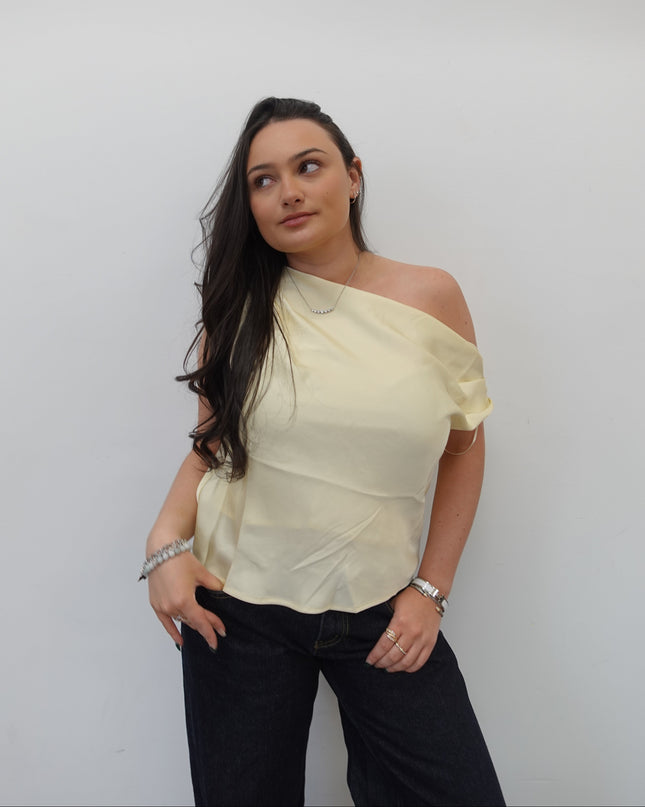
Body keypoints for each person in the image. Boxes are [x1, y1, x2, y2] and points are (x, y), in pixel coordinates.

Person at [142, 97, 505, 807]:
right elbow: (210, 449)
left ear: (353, 175)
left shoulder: (429, 297)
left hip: (377, 606)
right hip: (236, 607)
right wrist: (162, 542)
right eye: (264, 180)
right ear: (251, 203)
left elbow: (462, 447)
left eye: (308, 166)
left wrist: (429, 590)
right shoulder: (239, 311)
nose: (290, 192)